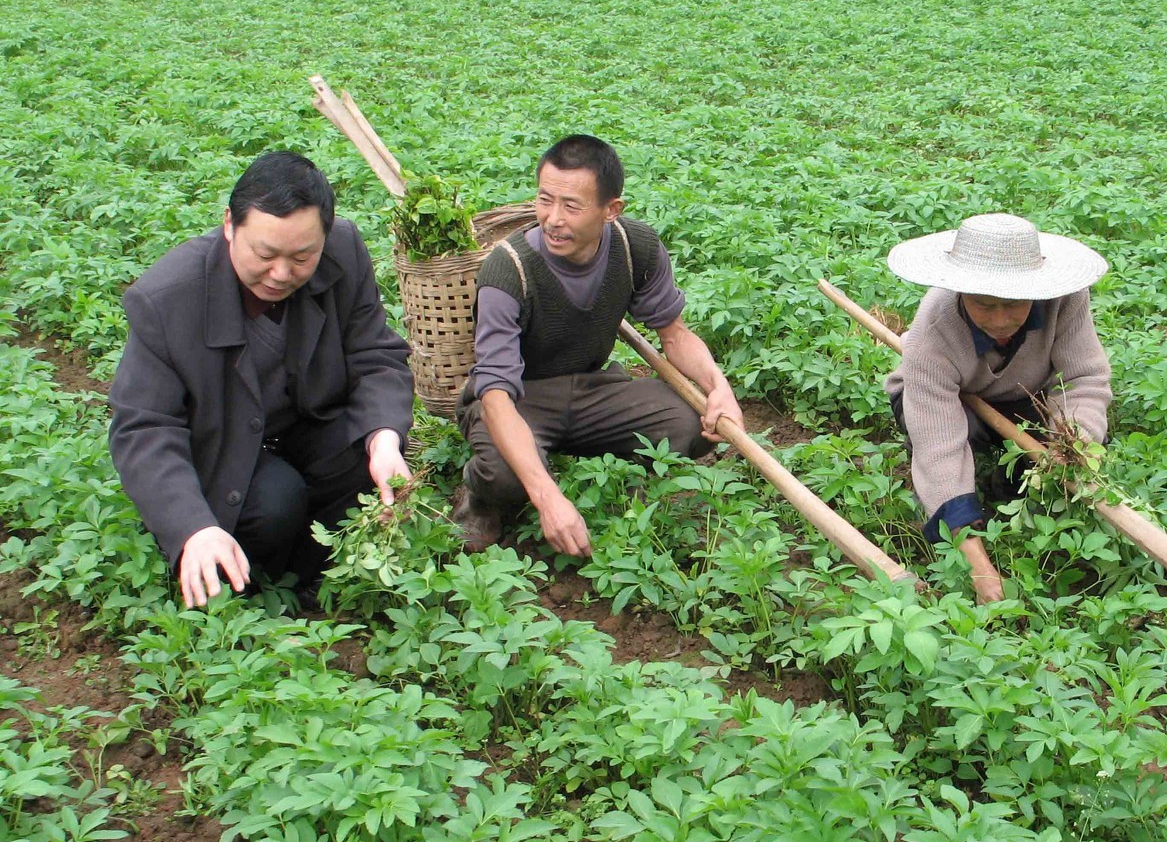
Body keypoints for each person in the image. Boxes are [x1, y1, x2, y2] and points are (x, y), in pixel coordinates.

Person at [109, 151, 414, 609]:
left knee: (365, 462)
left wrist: (385, 440)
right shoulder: (166, 299)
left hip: (306, 421)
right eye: (264, 254)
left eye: (302, 256)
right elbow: (144, 427)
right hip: (221, 442)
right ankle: (248, 591)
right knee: (275, 502)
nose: (281, 274)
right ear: (230, 224)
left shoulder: (345, 250)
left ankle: (313, 581)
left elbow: (376, 355)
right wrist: (192, 527)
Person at [454, 135, 743, 556]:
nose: (553, 219)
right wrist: (548, 498)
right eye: (544, 200)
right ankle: (482, 496)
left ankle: (621, 478)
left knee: (690, 424)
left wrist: (719, 388)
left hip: (592, 388)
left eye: (571, 206)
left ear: (611, 210)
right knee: (506, 475)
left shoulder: (635, 248)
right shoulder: (508, 269)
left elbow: (675, 334)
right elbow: (495, 394)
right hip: (519, 398)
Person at [883, 213, 1111, 603]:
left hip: (1022, 394)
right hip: (942, 400)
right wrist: (979, 567)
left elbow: (1085, 379)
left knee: (1051, 459)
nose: (1001, 320)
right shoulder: (931, 336)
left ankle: (1012, 478)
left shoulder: (1065, 299)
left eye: (1014, 304)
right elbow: (940, 451)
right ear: (960, 291)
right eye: (985, 306)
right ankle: (966, 510)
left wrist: (1075, 438)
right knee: (957, 443)